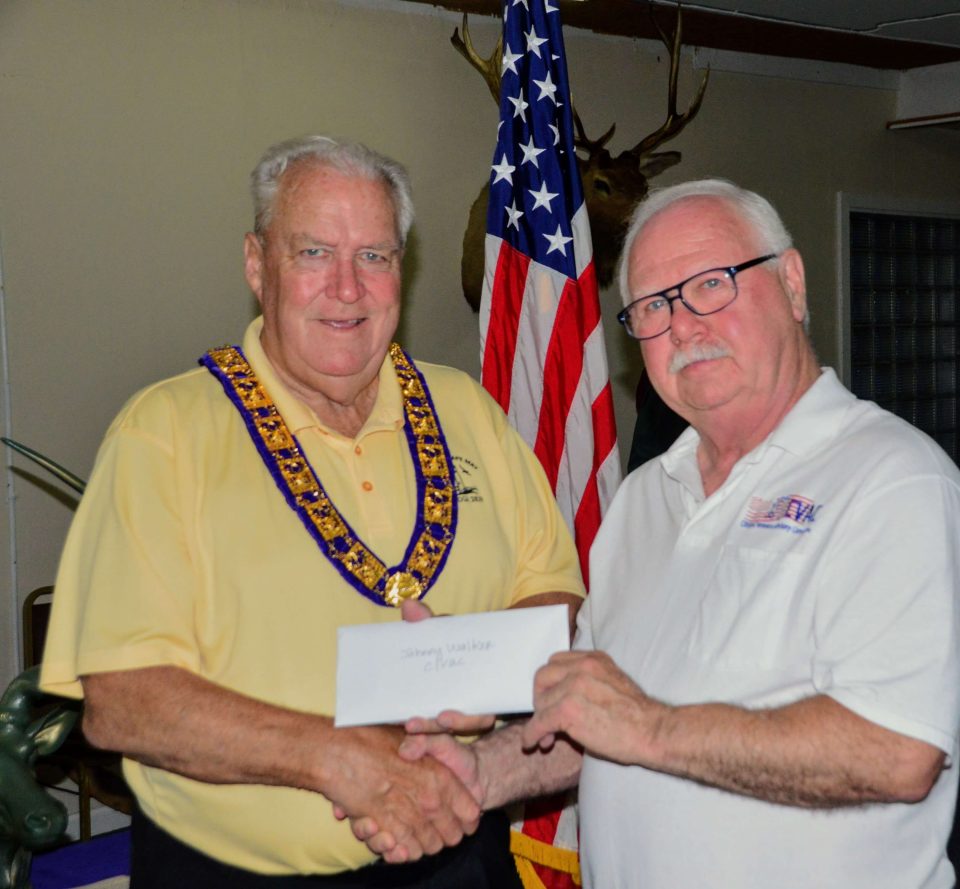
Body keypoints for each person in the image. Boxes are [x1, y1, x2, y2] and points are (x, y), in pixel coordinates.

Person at [372, 179, 960, 888]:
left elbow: (897, 752)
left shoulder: (894, 481)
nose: (684, 327)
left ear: (791, 283)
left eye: (711, 285)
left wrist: (650, 726)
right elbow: (593, 725)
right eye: (653, 307)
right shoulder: (643, 501)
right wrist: (479, 772)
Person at [39, 135, 584, 888]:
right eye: (314, 253)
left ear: (403, 269)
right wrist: (337, 756)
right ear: (258, 265)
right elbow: (124, 703)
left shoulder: (468, 408)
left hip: (458, 855)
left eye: (374, 256)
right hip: (236, 873)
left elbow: (552, 596)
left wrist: (486, 676)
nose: (347, 288)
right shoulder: (162, 431)